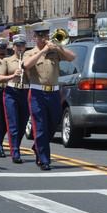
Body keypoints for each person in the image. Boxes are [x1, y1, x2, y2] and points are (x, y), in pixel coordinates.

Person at [23, 22, 76, 170]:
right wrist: (43, 51)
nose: (43, 38)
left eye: (45, 35)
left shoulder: (55, 52)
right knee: (40, 126)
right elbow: (26, 65)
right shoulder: (30, 53)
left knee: (53, 124)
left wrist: (58, 47)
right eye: (40, 35)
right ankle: (44, 159)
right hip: (37, 93)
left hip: (53, 93)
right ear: (35, 37)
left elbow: (72, 57)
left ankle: (38, 146)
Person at [0, 33, 30, 164]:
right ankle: (15, 151)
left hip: (25, 91)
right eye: (17, 45)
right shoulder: (7, 60)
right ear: (13, 47)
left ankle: (16, 145)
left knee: (22, 124)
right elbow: (0, 78)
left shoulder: (29, 60)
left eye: (22, 45)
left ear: (25, 47)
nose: (19, 48)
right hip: (11, 92)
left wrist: (26, 70)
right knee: (13, 124)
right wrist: (12, 75)